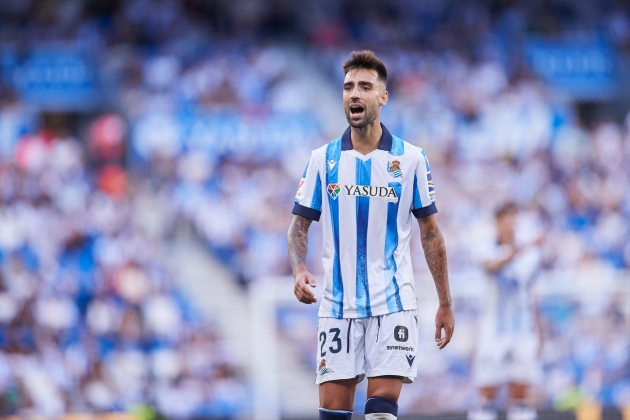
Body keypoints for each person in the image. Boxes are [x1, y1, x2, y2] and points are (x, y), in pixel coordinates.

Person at [286, 50, 455, 420]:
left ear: (383, 96)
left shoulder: (411, 159)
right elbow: (299, 226)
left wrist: (445, 301)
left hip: (393, 302)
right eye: (348, 87)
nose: (354, 94)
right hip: (336, 305)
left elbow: (431, 234)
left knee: (380, 413)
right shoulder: (322, 159)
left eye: (365, 86)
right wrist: (299, 270)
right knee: (333, 414)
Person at [468, 203, 543, 420]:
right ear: (497, 223)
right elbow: (492, 266)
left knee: (521, 396)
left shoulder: (531, 255)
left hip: (522, 331)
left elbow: (530, 294)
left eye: (514, 221)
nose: (511, 226)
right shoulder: (487, 249)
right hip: (493, 332)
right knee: (486, 395)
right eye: (506, 221)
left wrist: (538, 331)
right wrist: (519, 250)